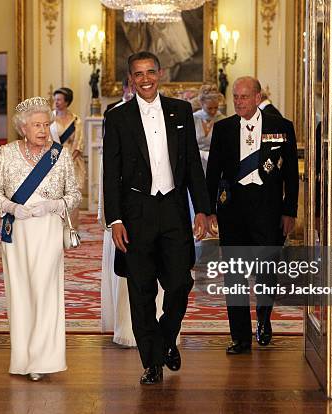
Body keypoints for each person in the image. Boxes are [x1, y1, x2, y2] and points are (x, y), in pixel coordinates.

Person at [103, 51, 210, 385]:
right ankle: (152, 362)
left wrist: (203, 209)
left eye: (151, 72)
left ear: (160, 73)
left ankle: (166, 339)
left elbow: (192, 163)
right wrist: (115, 219)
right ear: (131, 78)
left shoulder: (180, 110)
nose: (146, 79)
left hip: (174, 211)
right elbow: (111, 173)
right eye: (138, 74)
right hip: (136, 215)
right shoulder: (117, 116)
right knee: (141, 291)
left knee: (180, 282)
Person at [0, 96, 81, 381]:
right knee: (21, 292)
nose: (43, 130)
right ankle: (23, 357)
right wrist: (11, 207)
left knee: (45, 290)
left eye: (46, 124)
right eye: (37, 125)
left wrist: (53, 206)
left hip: (48, 230)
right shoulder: (8, 153)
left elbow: (74, 194)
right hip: (17, 231)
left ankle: (44, 358)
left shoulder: (60, 155)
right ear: (23, 128)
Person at [205, 76, 298, 354]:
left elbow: (291, 174)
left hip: (268, 209)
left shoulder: (281, 127)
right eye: (235, 97)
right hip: (233, 209)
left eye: (244, 97)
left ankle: (265, 320)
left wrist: (289, 210)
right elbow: (213, 173)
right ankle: (240, 338)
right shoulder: (223, 129)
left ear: (258, 98)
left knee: (266, 272)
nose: (238, 102)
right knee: (234, 275)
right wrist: (209, 210)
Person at [50, 87, 84, 228]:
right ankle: (54, 229)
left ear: (67, 102)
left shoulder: (76, 121)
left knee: (72, 198)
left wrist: (69, 160)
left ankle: (71, 230)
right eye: (55, 99)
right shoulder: (49, 119)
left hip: (73, 162)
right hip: (52, 162)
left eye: (59, 100)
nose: (56, 102)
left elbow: (79, 143)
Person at [193, 84, 226, 173]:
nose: (213, 111)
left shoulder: (223, 120)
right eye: (209, 108)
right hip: (195, 164)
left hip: (216, 165)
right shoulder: (194, 119)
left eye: (216, 107)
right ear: (201, 103)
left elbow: (226, 147)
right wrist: (202, 154)